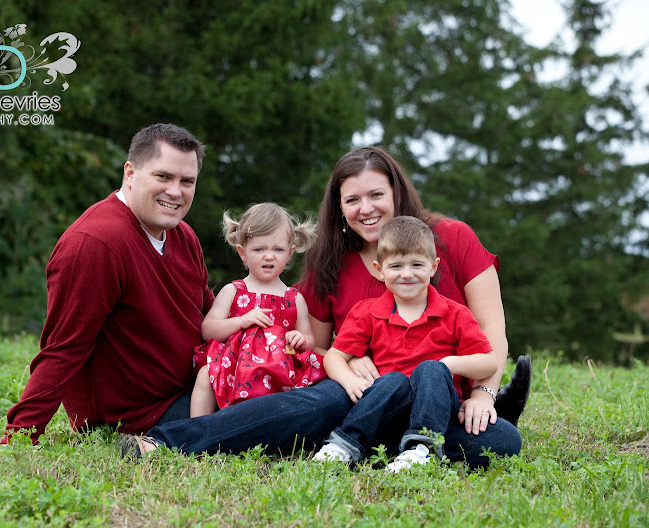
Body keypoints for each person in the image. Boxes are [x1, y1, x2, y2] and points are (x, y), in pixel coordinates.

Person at [299, 146, 527, 468]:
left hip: (443, 405)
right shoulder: (340, 274)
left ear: (433, 267)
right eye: (352, 200)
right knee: (382, 386)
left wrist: (481, 394)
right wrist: (351, 363)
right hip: (377, 398)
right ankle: (357, 443)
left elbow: (491, 337)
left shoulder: (453, 254)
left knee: (502, 439)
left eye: (376, 194)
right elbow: (316, 348)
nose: (366, 208)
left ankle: (416, 447)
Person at [0, 123, 215, 444]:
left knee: (286, 390)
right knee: (287, 409)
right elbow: (63, 348)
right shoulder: (96, 242)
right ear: (130, 173)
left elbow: (210, 312)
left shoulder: (183, 236)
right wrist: (18, 438)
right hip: (140, 417)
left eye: (187, 181)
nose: (175, 191)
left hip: (197, 389)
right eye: (163, 176)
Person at [312, 216, 499, 472]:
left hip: (438, 411)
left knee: (504, 438)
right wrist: (350, 380)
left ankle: (421, 449)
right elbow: (334, 356)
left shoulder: (455, 314)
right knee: (394, 381)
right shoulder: (367, 312)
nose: (407, 274)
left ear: (433, 267)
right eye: (396, 266)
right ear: (380, 270)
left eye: (417, 264)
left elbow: (489, 362)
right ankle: (345, 444)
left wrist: (447, 365)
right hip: (388, 410)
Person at [191, 203, 327, 417]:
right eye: (259, 249)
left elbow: (310, 340)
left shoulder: (294, 298)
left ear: (290, 253)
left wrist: (300, 339)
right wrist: (240, 321)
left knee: (313, 388)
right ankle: (197, 427)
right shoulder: (234, 291)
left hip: (279, 369)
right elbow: (208, 330)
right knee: (206, 374)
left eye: (278, 249)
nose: (269, 256)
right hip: (235, 365)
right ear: (242, 253)